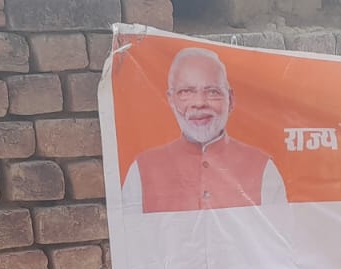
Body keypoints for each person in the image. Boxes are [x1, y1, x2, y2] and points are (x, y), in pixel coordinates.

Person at [121, 46, 288, 214]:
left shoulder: (263, 169)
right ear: (171, 100)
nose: (199, 103)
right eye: (186, 92)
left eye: (212, 92)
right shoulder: (141, 171)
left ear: (230, 100)